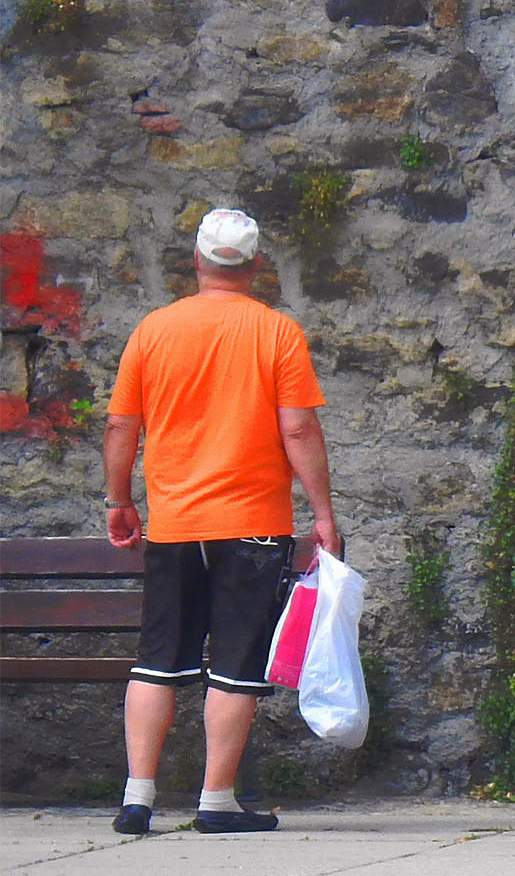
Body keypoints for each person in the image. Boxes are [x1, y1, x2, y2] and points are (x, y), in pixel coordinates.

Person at [103, 207, 340, 835]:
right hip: (253, 523)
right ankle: (216, 801)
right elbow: (297, 426)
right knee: (236, 663)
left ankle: (138, 798)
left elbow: (122, 424)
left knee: (157, 659)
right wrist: (322, 515)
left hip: (176, 523)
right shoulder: (277, 332)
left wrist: (119, 500)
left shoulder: (153, 330)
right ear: (257, 265)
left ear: (198, 261)